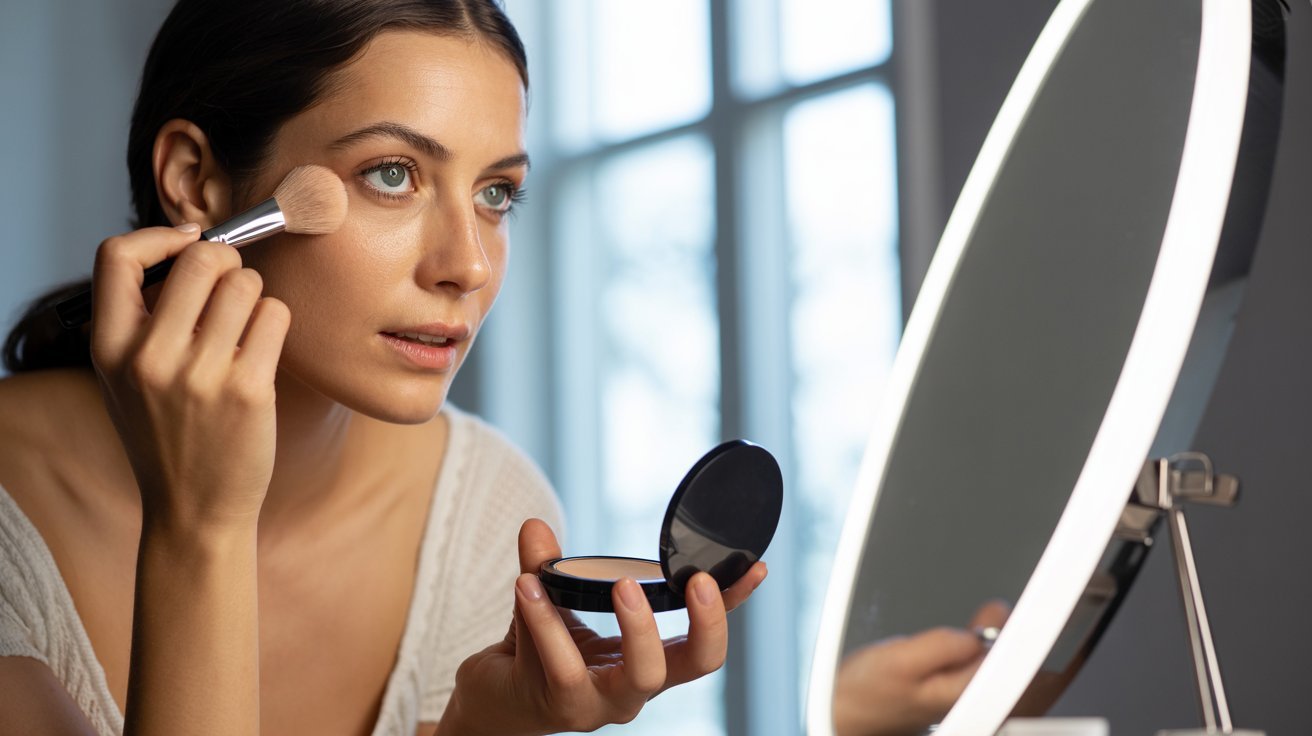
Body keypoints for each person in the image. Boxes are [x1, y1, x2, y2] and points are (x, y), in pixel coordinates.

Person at [0, 1, 766, 734]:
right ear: (195, 180)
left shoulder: (482, 511)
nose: (468, 264)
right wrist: (202, 528)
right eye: (393, 175)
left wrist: (483, 726)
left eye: (496, 193)